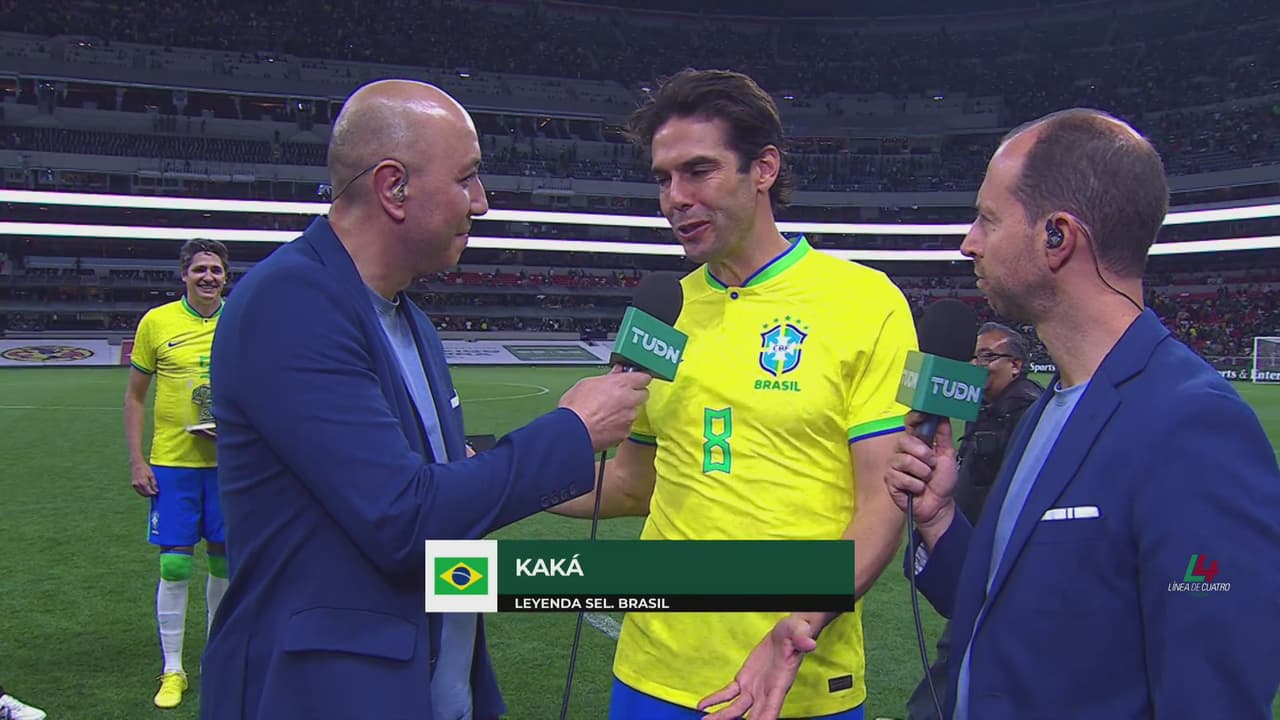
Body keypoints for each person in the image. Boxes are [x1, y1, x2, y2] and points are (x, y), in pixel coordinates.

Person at [198, 79, 650, 720]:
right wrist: (571, 431)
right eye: (467, 178)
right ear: (394, 188)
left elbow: (438, 495)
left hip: (431, 687)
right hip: (329, 696)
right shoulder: (290, 302)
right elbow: (404, 522)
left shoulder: (411, 321)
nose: (483, 203)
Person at [881, 108, 1280, 718]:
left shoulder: (1194, 428)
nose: (969, 243)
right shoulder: (1049, 408)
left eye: (988, 219)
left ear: (1057, 237)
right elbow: (1002, 609)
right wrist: (936, 520)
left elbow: (1211, 697)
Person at [550, 69, 917, 720]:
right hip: (650, 674)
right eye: (663, 178)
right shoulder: (663, 314)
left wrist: (799, 625)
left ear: (764, 168)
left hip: (796, 680)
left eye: (698, 171)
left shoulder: (866, 303)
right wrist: (504, 473)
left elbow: (881, 506)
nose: (675, 198)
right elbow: (635, 485)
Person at [905, 322, 1042, 720]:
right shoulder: (985, 410)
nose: (976, 364)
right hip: (969, 550)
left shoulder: (1029, 413)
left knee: (961, 658)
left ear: (1016, 365)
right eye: (974, 356)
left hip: (1004, 566)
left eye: (987, 356)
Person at [123, 237, 230, 709]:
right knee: (175, 563)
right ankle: (173, 669)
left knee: (227, 562)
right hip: (173, 464)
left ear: (227, 277)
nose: (208, 277)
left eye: (216, 270)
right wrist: (137, 460)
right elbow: (134, 398)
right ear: (184, 275)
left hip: (231, 465)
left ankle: (218, 659)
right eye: (200, 269)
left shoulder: (242, 319)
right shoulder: (157, 322)